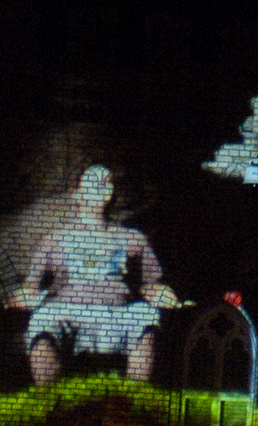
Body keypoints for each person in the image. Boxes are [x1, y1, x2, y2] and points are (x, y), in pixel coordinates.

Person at [11, 165, 186, 385]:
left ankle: (136, 395)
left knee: (145, 315)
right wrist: (21, 297)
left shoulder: (132, 238)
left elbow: (150, 284)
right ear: (77, 194)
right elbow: (30, 287)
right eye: (93, 182)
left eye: (107, 182)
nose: (102, 186)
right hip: (68, 311)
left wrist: (162, 294)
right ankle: (48, 397)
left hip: (117, 314)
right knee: (42, 319)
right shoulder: (53, 239)